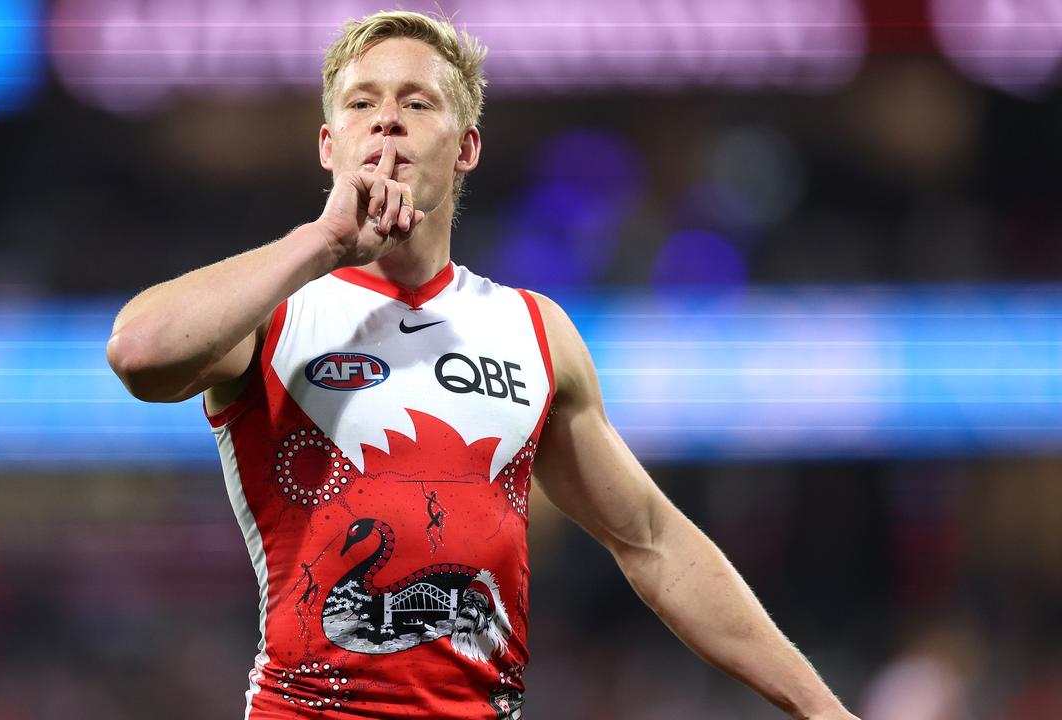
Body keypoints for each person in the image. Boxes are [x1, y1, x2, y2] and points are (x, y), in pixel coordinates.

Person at [106, 10, 860, 720]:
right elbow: (140, 355)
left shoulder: (532, 331)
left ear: (466, 145)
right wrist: (323, 242)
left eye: (417, 103)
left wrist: (819, 707)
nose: (388, 120)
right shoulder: (276, 311)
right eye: (362, 103)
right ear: (329, 145)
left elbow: (654, 543)